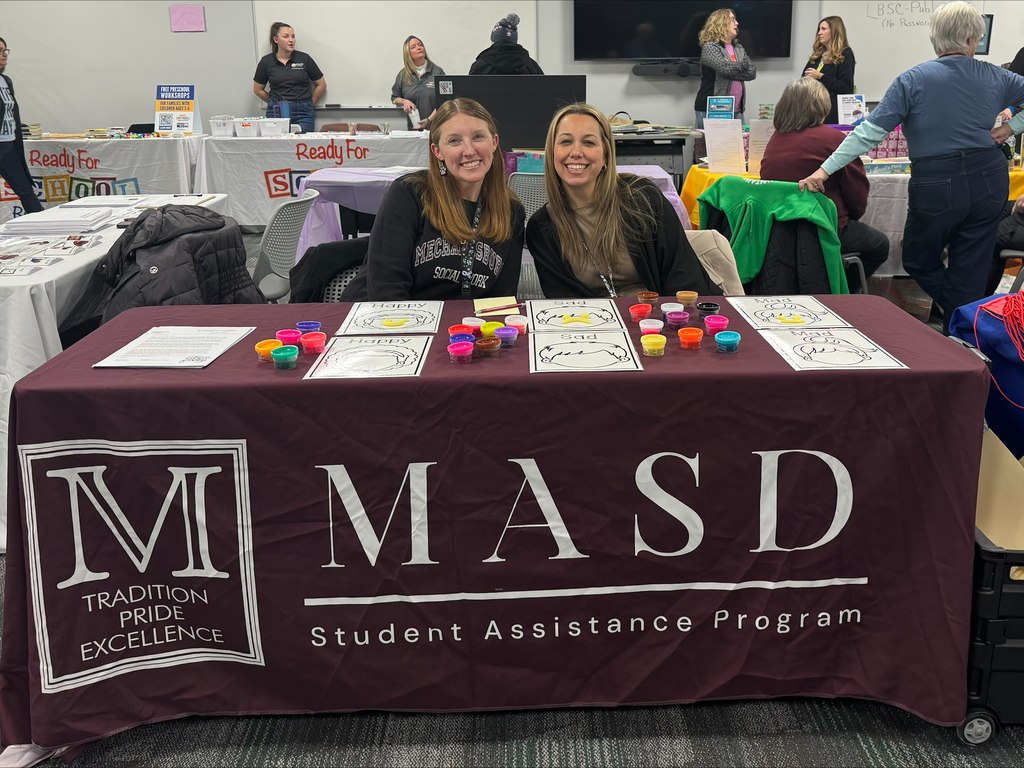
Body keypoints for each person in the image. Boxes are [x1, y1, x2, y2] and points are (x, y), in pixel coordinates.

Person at [798, 1, 1024, 332]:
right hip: (989, 175)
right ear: (974, 39)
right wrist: (1011, 128)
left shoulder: (913, 80)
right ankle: (967, 333)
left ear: (934, 38)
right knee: (971, 266)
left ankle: (962, 321)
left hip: (936, 180)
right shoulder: (997, 76)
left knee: (919, 258)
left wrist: (824, 170)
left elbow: (869, 133)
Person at [527, 103, 721, 299]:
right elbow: (565, 303)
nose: (576, 151)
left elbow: (684, 277)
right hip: (597, 323)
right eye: (566, 141)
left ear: (605, 156)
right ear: (552, 153)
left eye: (589, 142)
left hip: (662, 319)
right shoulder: (542, 227)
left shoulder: (643, 198)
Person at [344, 98, 524, 301]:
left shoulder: (511, 210)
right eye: (454, 140)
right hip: (396, 321)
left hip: (465, 329)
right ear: (437, 151)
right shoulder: (409, 194)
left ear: (494, 143)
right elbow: (386, 290)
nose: (469, 150)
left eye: (478, 137)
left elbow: (501, 300)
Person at [760, 79, 888, 292]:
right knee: (880, 244)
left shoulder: (775, 140)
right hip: (824, 228)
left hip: (779, 231)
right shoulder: (834, 139)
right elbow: (857, 196)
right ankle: (845, 292)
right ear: (821, 106)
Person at [253, 23, 326, 133]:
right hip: (276, 112)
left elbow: (321, 85)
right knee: (274, 146)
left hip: (303, 112)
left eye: (293, 36)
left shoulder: (304, 58)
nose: (291, 40)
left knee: (301, 147)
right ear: (276, 39)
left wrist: (309, 104)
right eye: (286, 36)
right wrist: (274, 102)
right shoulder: (266, 61)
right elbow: (258, 89)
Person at [694, 9, 756, 129]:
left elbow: (751, 73)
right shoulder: (710, 47)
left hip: (737, 110)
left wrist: (730, 69)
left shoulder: (738, 47)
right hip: (712, 109)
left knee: (737, 146)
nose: (737, 23)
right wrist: (740, 65)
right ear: (721, 23)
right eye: (732, 20)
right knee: (715, 147)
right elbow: (727, 69)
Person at [0, 39, 42, 215]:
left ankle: (44, 228)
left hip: (8, 145)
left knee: (25, 190)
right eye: (0, 50)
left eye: (5, 50)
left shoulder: (6, 81)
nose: (4, 54)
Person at [803, 16, 855, 126]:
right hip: (812, 111)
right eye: (819, 29)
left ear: (834, 31)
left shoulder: (845, 54)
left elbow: (846, 87)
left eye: (823, 29)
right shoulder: (817, 55)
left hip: (831, 114)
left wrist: (821, 77)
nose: (819, 33)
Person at [391, 36, 445, 130]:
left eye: (420, 45)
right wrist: (404, 101)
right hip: (414, 130)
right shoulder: (403, 75)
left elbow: (445, 101)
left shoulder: (438, 72)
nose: (419, 48)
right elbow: (394, 98)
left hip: (436, 129)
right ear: (408, 53)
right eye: (413, 47)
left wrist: (429, 120)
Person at [469, 13, 543, 75]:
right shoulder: (532, 66)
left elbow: (467, 91)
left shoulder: (479, 66)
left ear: (493, 42)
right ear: (514, 42)